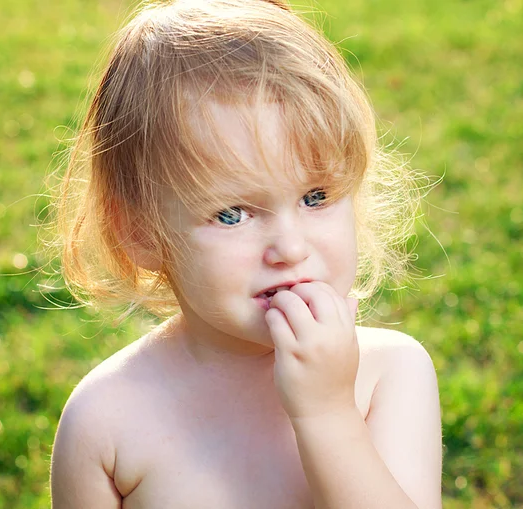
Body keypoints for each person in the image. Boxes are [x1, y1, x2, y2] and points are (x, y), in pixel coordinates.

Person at [49, 0, 442, 507]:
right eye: (232, 213)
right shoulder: (104, 420)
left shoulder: (390, 375)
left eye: (315, 197)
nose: (291, 248)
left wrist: (327, 414)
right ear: (141, 234)